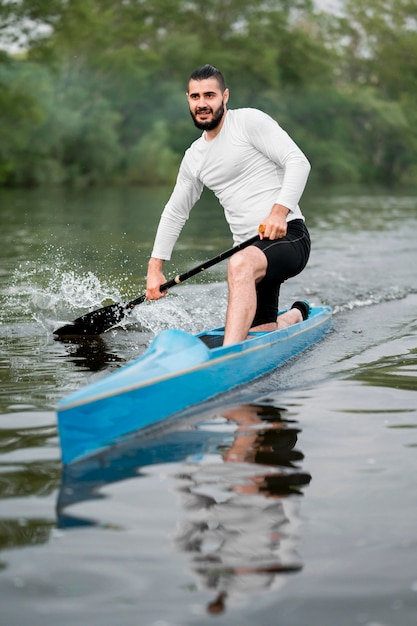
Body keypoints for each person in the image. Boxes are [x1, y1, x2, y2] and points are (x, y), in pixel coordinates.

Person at [146, 64, 311, 345]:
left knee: (238, 265)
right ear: (188, 99)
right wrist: (155, 267)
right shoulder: (194, 157)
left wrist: (278, 212)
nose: (202, 104)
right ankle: (295, 316)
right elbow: (175, 212)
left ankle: (229, 355)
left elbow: (298, 162)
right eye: (195, 97)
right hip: (249, 250)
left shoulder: (248, 122)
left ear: (225, 96)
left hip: (288, 237)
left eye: (209, 95)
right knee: (261, 333)